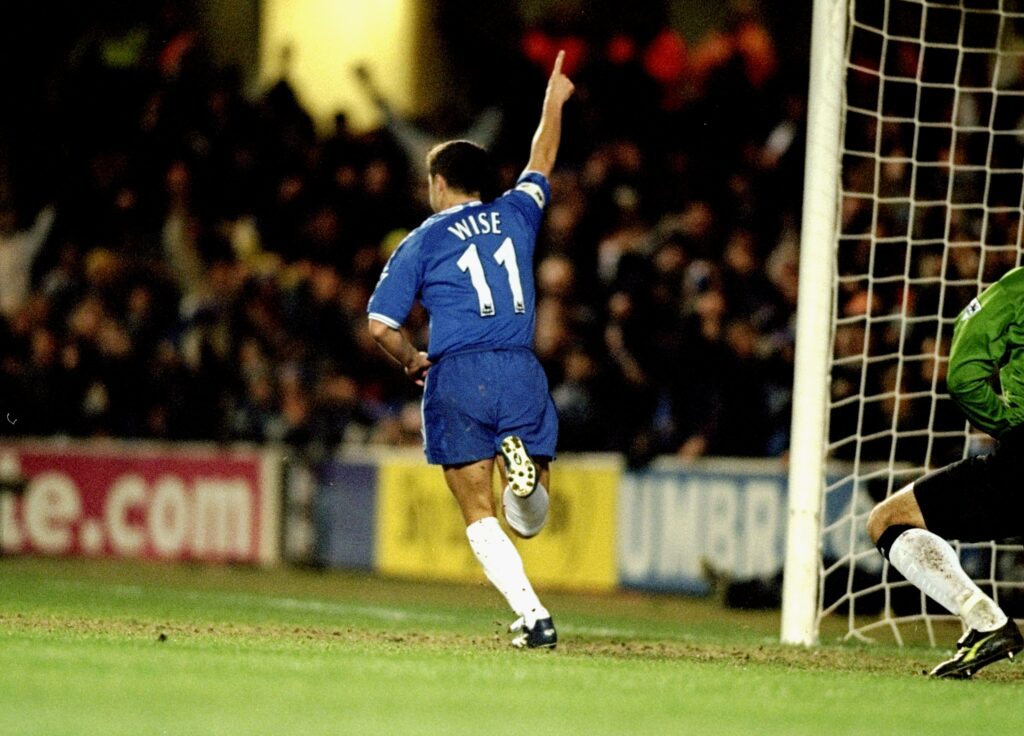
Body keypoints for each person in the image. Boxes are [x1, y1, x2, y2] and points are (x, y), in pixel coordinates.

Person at [366, 51, 574, 648]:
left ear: (437, 183)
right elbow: (543, 158)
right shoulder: (517, 212)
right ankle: (523, 480)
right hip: (520, 369)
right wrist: (552, 100)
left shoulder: (421, 240)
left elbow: (380, 325)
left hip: (457, 375)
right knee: (527, 520)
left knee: (477, 513)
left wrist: (411, 360)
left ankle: (535, 618)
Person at [867, 266, 1024, 678]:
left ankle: (986, 621)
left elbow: (963, 377)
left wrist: (1008, 426)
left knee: (887, 520)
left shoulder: (1015, 290)